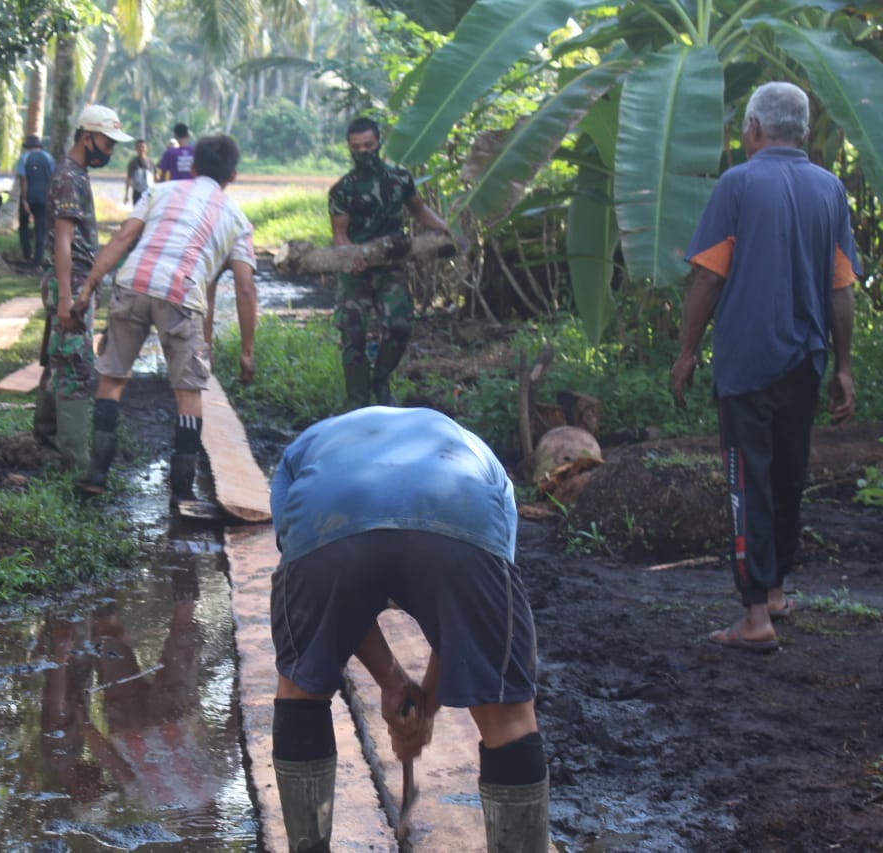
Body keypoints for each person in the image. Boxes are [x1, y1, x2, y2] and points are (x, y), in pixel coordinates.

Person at [268, 406, 548, 852]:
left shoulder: (300, 455)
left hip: (329, 511)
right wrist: (416, 698)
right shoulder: (480, 455)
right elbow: (465, 625)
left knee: (300, 685)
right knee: (507, 712)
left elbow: (329, 603)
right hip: (461, 507)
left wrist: (404, 690)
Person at [670, 81, 860, 653]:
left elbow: (708, 277)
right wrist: (845, 366)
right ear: (800, 131)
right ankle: (775, 590)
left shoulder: (738, 184)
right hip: (806, 358)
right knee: (787, 474)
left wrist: (686, 352)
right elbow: (841, 288)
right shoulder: (829, 189)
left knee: (746, 480)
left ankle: (755, 617)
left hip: (748, 360)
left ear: (753, 129)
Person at [69, 135, 258, 504]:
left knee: (112, 378)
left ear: (194, 166)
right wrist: (247, 351)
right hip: (181, 296)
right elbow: (246, 287)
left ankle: (97, 472)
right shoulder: (237, 219)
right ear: (233, 175)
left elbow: (124, 236)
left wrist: (89, 286)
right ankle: (183, 493)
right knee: (187, 392)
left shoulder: (161, 191)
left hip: (134, 282)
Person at [33, 104, 134, 472]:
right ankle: (75, 460)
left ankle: (45, 440)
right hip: (72, 281)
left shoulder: (73, 173)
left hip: (72, 279)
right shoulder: (69, 177)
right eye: (107, 144)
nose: (109, 152)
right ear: (87, 137)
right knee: (75, 365)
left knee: (59, 359)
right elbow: (63, 240)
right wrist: (66, 297)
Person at [328, 116, 449, 408]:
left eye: (369, 145)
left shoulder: (399, 179)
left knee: (399, 325)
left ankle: (381, 381)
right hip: (357, 272)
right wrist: (350, 257)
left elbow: (419, 210)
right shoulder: (342, 189)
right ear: (349, 149)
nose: (364, 152)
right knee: (353, 337)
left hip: (391, 266)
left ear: (379, 143)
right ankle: (357, 401)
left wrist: (445, 230)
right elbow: (340, 235)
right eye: (357, 147)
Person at [16, 135, 55, 270]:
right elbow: (52, 180)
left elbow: (24, 180)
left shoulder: (24, 158)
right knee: (40, 228)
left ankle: (27, 254)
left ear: (27, 147)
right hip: (44, 197)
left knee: (24, 226)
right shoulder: (49, 158)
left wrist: (24, 200)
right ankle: (37, 260)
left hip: (29, 196)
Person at [124, 139, 153, 207]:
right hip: (137, 192)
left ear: (146, 148)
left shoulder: (151, 162)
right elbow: (129, 179)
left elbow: (156, 177)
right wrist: (126, 194)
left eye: (143, 147)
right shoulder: (133, 163)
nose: (141, 149)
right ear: (136, 149)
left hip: (149, 192)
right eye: (139, 147)